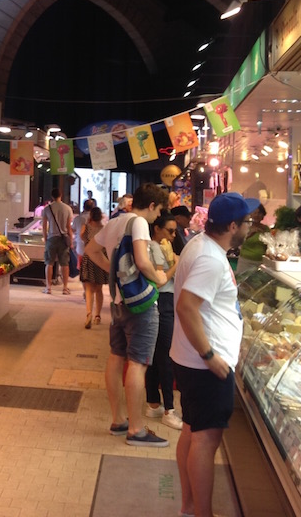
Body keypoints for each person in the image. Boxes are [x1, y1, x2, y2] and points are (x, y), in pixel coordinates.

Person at [171, 192, 259, 517]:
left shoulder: (201, 245)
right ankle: (201, 513)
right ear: (233, 226)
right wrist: (209, 355)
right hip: (206, 366)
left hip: (190, 359)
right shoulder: (210, 258)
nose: (251, 226)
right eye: (248, 221)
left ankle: (189, 507)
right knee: (205, 441)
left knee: (192, 431)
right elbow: (186, 306)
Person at [84, 183, 170, 447]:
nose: (158, 218)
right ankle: (136, 429)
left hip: (119, 302)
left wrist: (114, 274)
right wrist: (159, 279)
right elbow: (143, 262)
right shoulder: (139, 223)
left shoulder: (115, 222)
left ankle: (119, 419)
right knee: (138, 363)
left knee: (117, 357)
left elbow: (90, 250)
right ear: (152, 205)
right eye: (159, 211)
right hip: (140, 305)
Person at [146, 212, 182, 430]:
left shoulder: (157, 248)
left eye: (175, 231)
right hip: (162, 301)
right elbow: (158, 282)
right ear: (157, 228)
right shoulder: (152, 249)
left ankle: (153, 404)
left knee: (156, 354)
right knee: (165, 357)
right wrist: (176, 265)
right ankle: (169, 409)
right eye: (169, 230)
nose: (172, 235)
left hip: (162, 302)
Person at [40, 188, 74, 295]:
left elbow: (44, 227)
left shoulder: (47, 209)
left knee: (49, 263)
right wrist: (71, 240)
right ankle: (65, 288)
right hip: (63, 239)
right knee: (64, 263)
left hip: (51, 238)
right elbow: (69, 227)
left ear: (52, 196)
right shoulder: (67, 208)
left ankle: (48, 287)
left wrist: (46, 239)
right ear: (61, 195)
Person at [79, 206, 107, 328]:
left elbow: (82, 237)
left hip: (89, 257)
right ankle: (97, 316)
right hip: (101, 258)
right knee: (99, 289)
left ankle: (89, 314)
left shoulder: (86, 227)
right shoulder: (104, 229)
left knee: (89, 288)